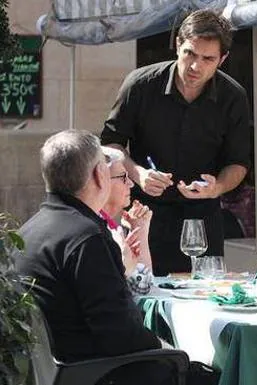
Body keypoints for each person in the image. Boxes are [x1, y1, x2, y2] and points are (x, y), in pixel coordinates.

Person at [14, 131, 172, 384]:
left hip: (53, 372)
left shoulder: (27, 231)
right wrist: (170, 347)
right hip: (92, 371)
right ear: (100, 174)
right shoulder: (86, 237)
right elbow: (121, 335)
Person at [101, 10, 251, 276]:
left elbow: (238, 163)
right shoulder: (140, 85)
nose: (196, 66)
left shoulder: (233, 97)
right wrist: (138, 173)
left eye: (208, 59)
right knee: (136, 292)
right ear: (178, 44)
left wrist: (217, 188)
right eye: (190, 54)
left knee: (202, 298)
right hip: (143, 214)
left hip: (202, 217)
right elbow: (111, 145)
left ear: (222, 59)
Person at [101, 146, 154, 295]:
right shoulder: (94, 229)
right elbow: (142, 289)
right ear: (101, 181)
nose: (131, 184)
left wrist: (140, 229)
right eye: (123, 177)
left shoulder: (106, 224)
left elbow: (144, 284)